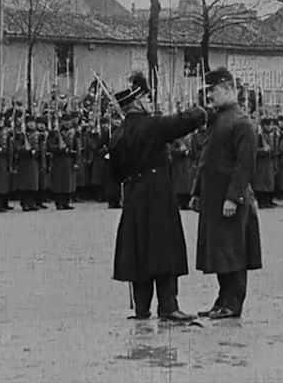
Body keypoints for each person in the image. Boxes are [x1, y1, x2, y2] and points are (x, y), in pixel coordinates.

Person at [110, 71, 207, 322]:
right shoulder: (152, 126)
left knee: (139, 251)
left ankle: (142, 309)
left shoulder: (118, 133)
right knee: (164, 250)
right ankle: (168, 306)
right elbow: (186, 121)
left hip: (132, 196)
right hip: (157, 195)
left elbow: (113, 172)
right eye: (147, 98)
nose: (151, 102)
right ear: (138, 102)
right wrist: (201, 109)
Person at [191, 67, 262, 320]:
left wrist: (233, 197)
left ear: (230, 89)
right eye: (208, 91)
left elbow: (245, 166)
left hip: (230, 200)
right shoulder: (218, 119)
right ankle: (222, 300)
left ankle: (234, 303)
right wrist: (197, 191)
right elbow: (206, 159)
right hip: (214, 198)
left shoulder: (241, 122)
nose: (210, 96)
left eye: (214, 91)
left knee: (234, 252)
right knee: (220, 252)